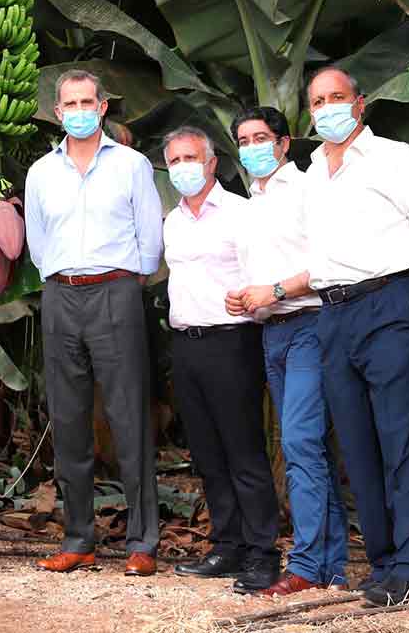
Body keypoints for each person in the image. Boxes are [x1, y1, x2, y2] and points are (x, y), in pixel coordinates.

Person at [299, 66, 409, 606]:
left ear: (359, 103)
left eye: (337, 97)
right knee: (357, 444)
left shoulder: (394, 158)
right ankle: (383, 562)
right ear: (310, 112)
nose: (328, 107)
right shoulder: (312, 172)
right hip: (334, 313)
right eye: (318, 101)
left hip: (389, 302)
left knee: (401, 438)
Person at [23, 70, 162, 576]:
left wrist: (126, 284)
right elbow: (37, 241)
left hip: (116, 292)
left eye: (88, 101)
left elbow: (150, 236)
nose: (79, 110)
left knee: (128, 418)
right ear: (58, 113)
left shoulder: (131, 165)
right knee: (68, 420)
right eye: (69, 104)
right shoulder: (41, 172)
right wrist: (61, 278)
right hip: (61, 295)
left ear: (102, 107)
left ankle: (143, 542)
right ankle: (79, 538)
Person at [224, 107, 348, 596]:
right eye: (243, 139)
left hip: (312, 325)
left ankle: (306, 565)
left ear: (283, 142)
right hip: (272, 333)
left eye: (261, 137)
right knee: (306, 446)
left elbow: (329, 261)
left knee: (299, 443)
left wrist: (273, 289)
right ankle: (330, 566)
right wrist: (246, 298)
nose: (252, 146)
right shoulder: (250, 205)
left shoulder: (307, 189)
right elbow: (260, 280)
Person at [162, 126, 280, 593]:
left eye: (191, 157)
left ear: (212, 163)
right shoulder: (172, 220)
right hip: (186, 343)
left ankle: (262, 554)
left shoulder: (240, 213)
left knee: (243, 450)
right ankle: (227, 545)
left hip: (233, 342)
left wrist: (253, 304)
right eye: (174, 161)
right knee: (209, 453)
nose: (183, 167)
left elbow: (262, 279)